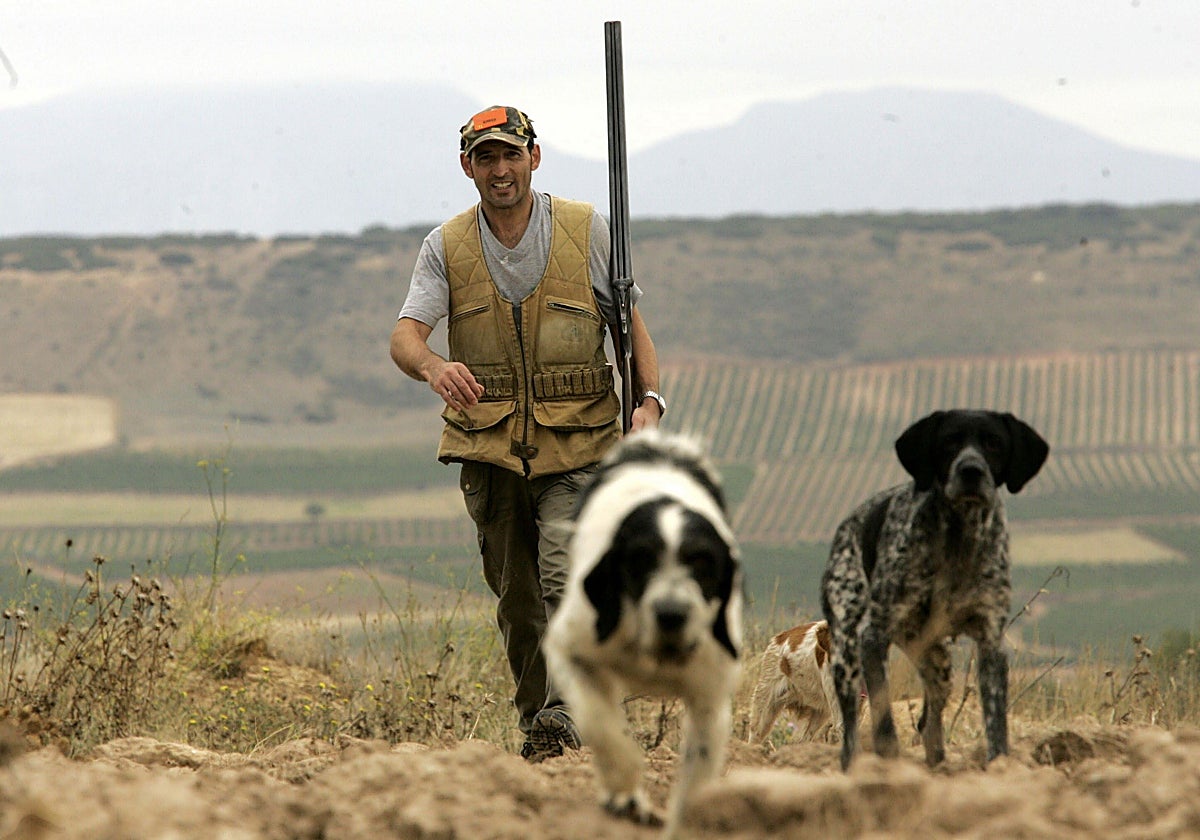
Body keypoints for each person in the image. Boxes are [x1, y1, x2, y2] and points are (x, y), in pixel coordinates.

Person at [390, 105, 665, 760]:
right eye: (485, 157)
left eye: (511, 154)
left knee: (564, 577)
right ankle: (541, 729)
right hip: (489, 449)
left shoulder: (583, 228)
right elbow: (405, 337)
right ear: (468, 167)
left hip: (580, 442)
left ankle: (569, 711)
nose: (500, 169)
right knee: (518, 602)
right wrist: (433, 366)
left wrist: (649, 404)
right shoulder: (445, 246)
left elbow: (628, 328)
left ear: (534, 158)